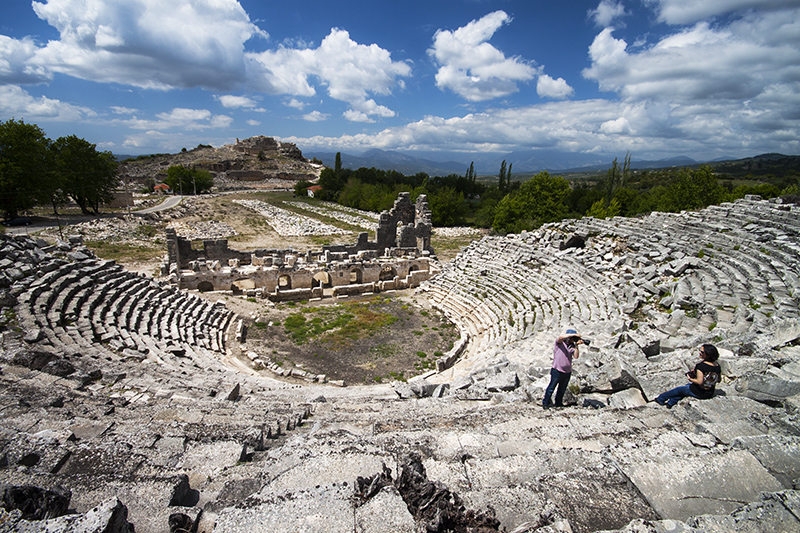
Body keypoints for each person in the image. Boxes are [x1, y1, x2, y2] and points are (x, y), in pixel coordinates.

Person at [655, 344, 721, 407]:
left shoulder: (701, 366)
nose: (699, 352)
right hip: (709, 393)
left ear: (708, 355)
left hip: (699, 392)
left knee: (680, 390)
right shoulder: (717, 366)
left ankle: (660, 399)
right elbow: (719, 380)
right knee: (686, 388)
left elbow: (699, 382)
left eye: (702, 352)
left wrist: (690, 378)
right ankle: (671, 403)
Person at [543, 328, 583, 408]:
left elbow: (576, 356)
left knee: (562, 389)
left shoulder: (571, 346)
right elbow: (561, 338)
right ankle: (546, 403)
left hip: (567, 371)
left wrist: (576, 346)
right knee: (551, 387)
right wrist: (575, 335)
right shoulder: (560, 343)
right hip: (557, 369)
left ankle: (558, 403)